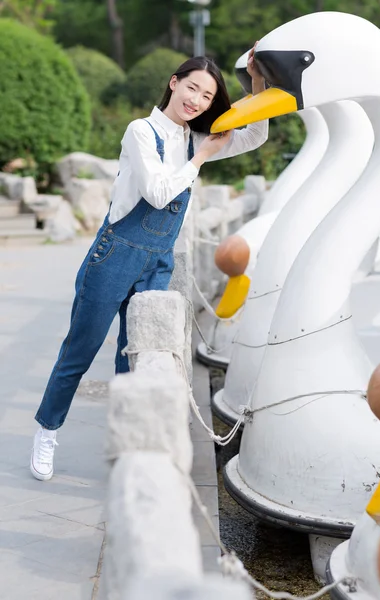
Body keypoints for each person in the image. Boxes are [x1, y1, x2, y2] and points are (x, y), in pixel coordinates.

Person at [30, 43, 268, 481]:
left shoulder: (195, 135)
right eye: (191, 87)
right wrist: (200, 158)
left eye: (205, 97)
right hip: (115, 255)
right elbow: (159, 193)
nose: (195, 100)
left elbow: (254, 135)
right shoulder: (141, 132)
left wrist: (256, 80)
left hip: (157, 262)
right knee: (78, 353)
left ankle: (126, 448)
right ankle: (47, 430)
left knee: (134, 358)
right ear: (173, 83)